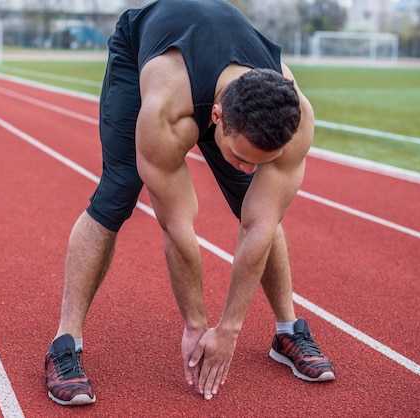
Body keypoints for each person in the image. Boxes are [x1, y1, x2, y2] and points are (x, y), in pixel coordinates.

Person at [44, 0, 335, 406]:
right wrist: (197, 325)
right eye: (241, 157)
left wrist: (230, 329)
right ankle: (64, 343)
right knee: (116, 195)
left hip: (223, 75)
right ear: (216, 116)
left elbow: (259, 226)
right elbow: (177, 227)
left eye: (260, 162)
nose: (249, 170)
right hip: (149, 54)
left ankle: (289, 330)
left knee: (254, 206)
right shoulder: (165, 112)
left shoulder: (296, 118)